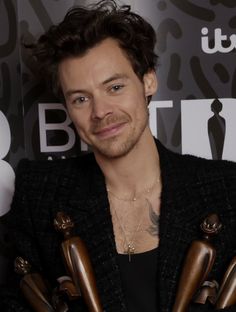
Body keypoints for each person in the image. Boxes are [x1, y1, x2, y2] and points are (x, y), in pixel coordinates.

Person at [1, 1, 236, 311]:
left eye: (114, 87)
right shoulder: (41, 194)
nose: (100, 113)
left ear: (148, 81)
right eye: (81, 98)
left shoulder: (226, 189)